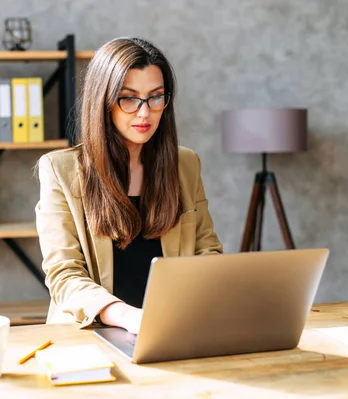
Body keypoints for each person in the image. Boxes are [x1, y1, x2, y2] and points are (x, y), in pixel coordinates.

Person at [35, 37, 222, 335]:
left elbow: (207, 251)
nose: (144, 113)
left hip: (173, 329)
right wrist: (129, 316)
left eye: (156, 97)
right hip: (94, 334)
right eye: (129, 98)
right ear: (104, 101)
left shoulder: (185, 164)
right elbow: (64, 274)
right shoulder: (61, 170)